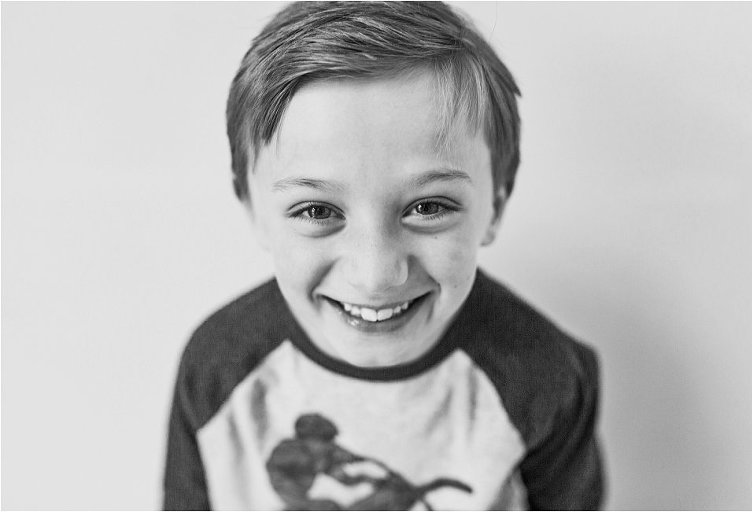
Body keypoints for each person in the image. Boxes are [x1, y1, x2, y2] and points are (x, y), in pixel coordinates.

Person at [163, 2, 603, 510]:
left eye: (429, 206)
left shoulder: (543, 376)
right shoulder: (219, 368)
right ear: (253, 210)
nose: (375, 275)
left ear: (496, 206)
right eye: (316, 210)